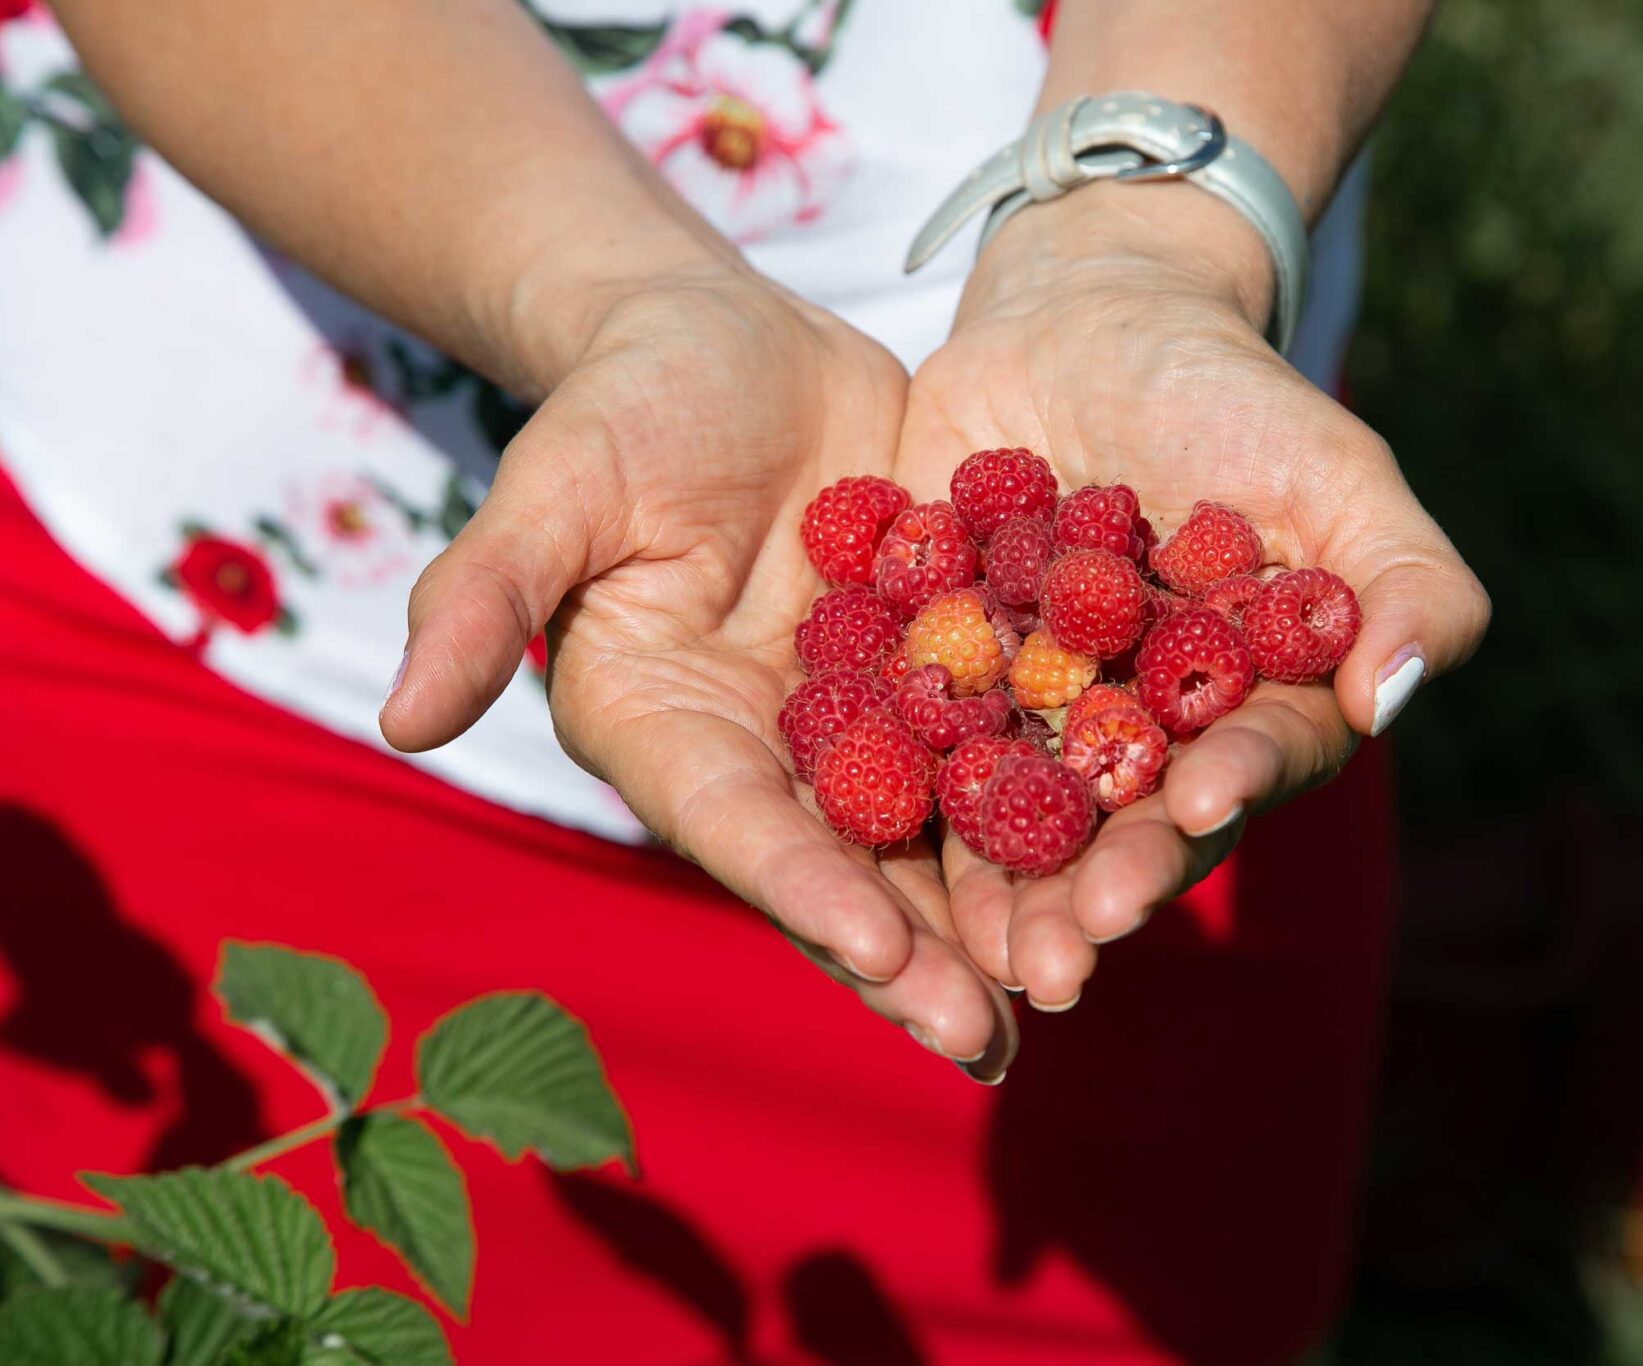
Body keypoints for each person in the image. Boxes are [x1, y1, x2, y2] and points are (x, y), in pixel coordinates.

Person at [0, 0, 1488, 1359]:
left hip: (1153, 322)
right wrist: (619, 299)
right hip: (234, 591)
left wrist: (1144, 241)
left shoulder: (1103, 639)